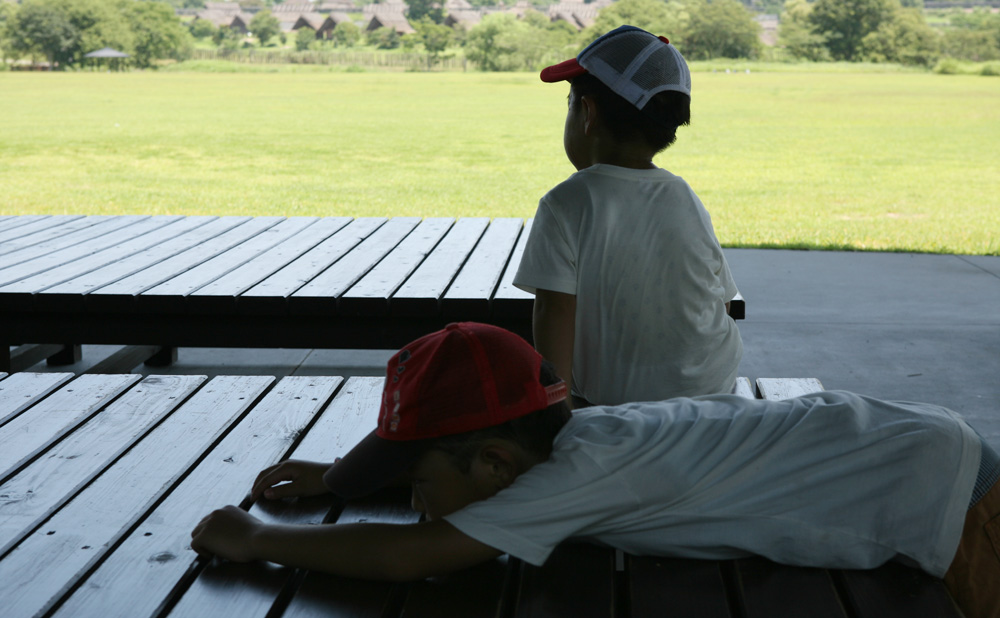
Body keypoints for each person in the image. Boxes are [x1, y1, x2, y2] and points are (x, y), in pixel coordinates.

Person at [192, 322, 999, 618]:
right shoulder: (580, 435)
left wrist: (261, 539)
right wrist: (339, 479)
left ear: (498, 462)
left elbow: (412, 559)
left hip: (945, 499)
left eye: (419, 482)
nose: (418, 501)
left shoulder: (561, 483)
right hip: (917, 449)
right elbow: (446, 487)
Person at [513, 25, 743, 408]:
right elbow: (722, 304)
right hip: (713, 396)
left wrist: (561, 412)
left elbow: (553, 314)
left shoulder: (565, 202)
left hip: (616, 405)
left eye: (569, 104)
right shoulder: (684, 195)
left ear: (588, 113)